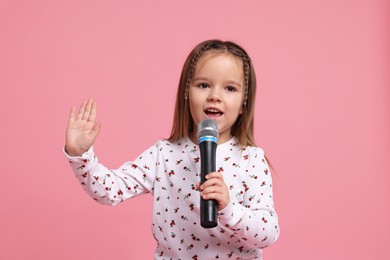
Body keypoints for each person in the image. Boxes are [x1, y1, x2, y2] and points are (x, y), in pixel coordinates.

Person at [64, 39, 280, 259]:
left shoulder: (251, 159)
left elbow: (268, 233)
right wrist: (80, 155)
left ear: (244, 102)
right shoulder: (163, 155)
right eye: (204, 85)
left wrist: (229, 208)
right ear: (187, 92)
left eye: (230, 88)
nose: (215, 95)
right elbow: (109, 190)